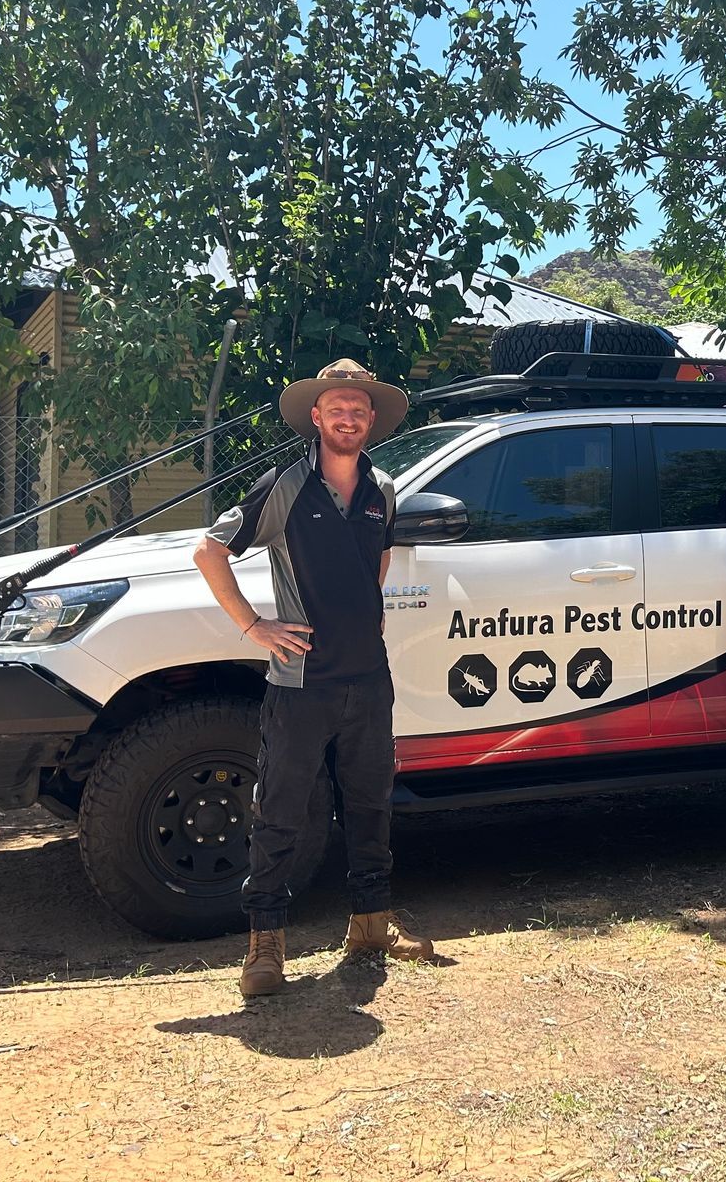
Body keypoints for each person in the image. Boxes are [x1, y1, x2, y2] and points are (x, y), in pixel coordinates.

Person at [192, 359, 433, 998]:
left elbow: (378, 553)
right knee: (280, 811)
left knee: (370, 803)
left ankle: (371, 924)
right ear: (317, 417)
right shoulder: (285, 487)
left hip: (367, 678)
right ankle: (265, 944)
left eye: (359, 408)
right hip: (301, 683)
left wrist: (366, 615)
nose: (348, 417)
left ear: (371, 420)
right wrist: (255, 628)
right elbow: (208, 550)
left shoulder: (382, 486)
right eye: (337, 408)